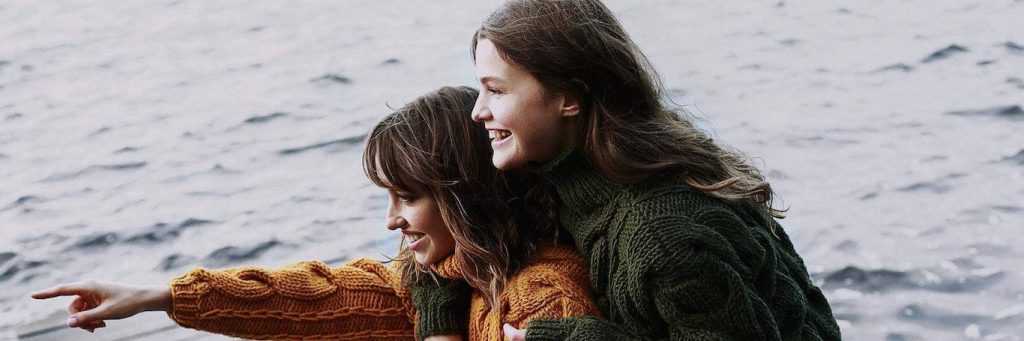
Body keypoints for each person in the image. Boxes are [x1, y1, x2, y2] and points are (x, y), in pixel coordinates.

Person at [414, 1, 843, 340]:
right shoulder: (555, 175)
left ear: (568, 97)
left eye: (496, 89)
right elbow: (447, 245)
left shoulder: (662, 229)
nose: (477, 111)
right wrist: (440, 328)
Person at [31, 86, 599, 340]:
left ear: (465, 191)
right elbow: (316, 295)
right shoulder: (442, 282)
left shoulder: (542, 298)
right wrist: (162, 296)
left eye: (407, 196)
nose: (391, 221)